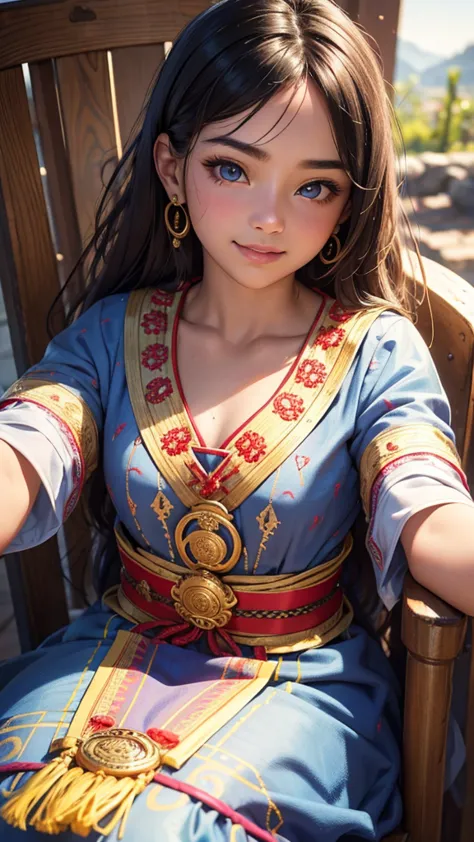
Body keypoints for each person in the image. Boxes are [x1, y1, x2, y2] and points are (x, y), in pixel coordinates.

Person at [0, 0, 473, 839]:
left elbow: (428, 510)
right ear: (172, 168)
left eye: (314, 186)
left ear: (346, 199)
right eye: (233, 169)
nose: (269, 216)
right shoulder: (114, 332)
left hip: (305, 685)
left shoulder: (373, 351)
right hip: (114, 645)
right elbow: (27, 446)